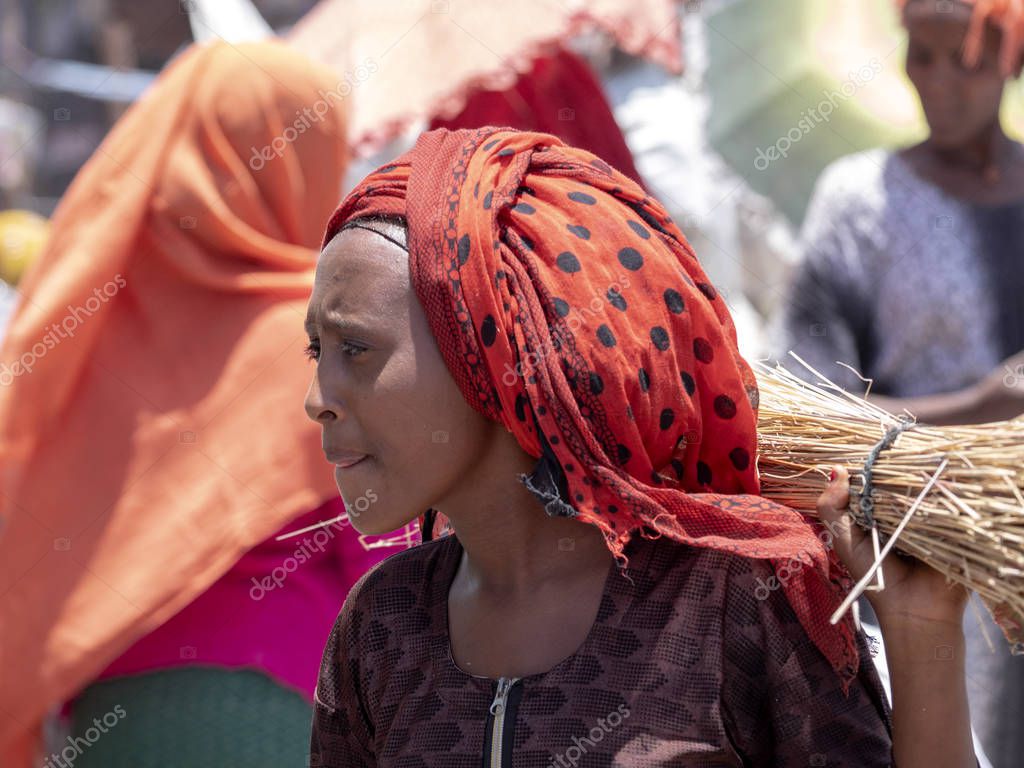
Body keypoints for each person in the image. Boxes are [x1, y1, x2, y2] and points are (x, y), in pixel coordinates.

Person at [306, 126, 977, 766]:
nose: (317, 397)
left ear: (490, 355)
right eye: (316, 351)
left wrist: (923, 638)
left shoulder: (735, 599)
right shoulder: (382, 628)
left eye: (355, 350)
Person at [0, 40, 395, 767]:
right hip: (274, 708)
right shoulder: (325, 335)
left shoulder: (89, 331)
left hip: (103, 716)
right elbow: (386, 551)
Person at [773, 1, 1024, 762]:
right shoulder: (862, 203)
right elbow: (806, 411)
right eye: (924, 54)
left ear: (1014, 62)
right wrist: (977, 410)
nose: (941, 82)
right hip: (928, 564)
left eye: (970, 61)